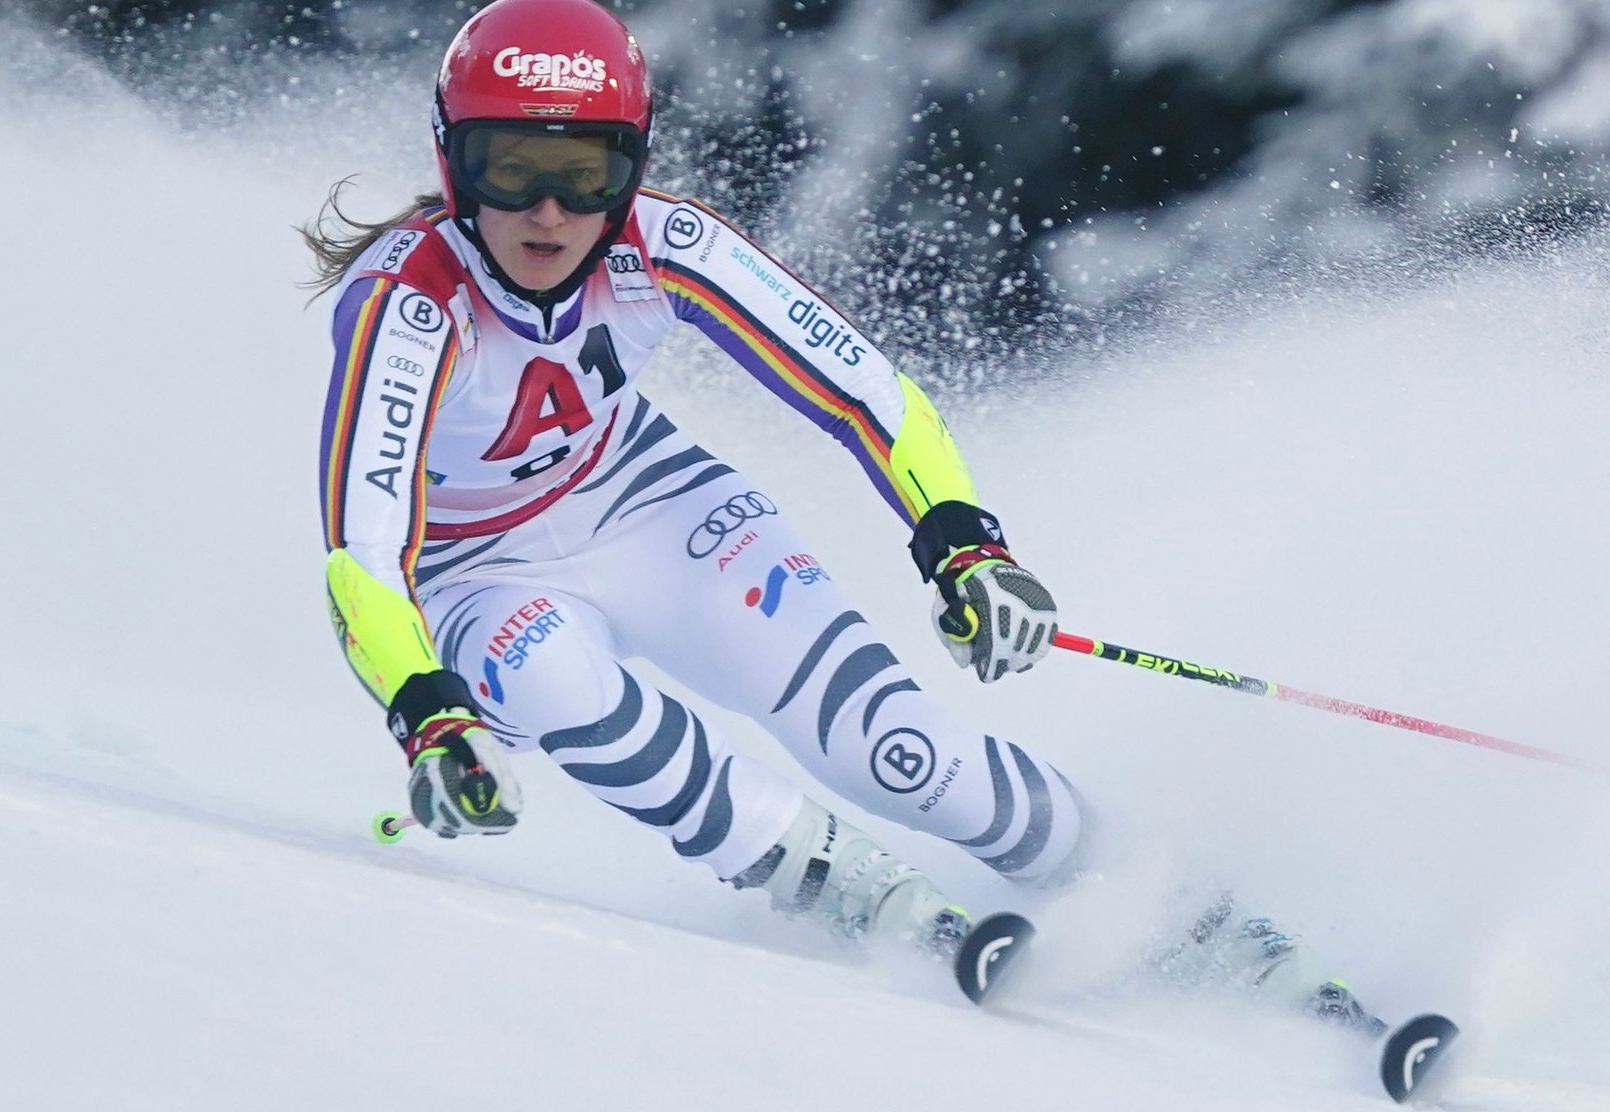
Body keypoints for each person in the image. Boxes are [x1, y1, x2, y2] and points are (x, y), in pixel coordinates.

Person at [303, 0, 1090, 968]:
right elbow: (362, 550)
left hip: (646, 503)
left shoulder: (663, 242)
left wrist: (963, 543)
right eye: (509, 169)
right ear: (450, 161)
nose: (547, 213)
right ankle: (862, 897)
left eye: (584, 172)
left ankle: (1156, 898)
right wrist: (429, 712)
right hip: (473, 574)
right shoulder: (409, 306)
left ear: (628, 168)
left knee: (897, 753)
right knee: (550, 675)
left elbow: (866, 394)